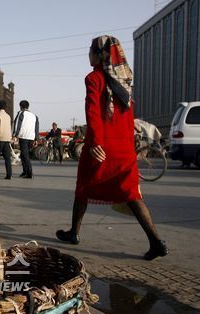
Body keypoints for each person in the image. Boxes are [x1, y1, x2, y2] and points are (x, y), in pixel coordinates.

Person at [55, 35, 168, 261]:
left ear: (100, 55)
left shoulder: (94, 78)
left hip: (101, 146)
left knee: (83, 188)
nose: (88, 54)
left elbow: (93, 112)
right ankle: (155, 241)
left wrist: (96, 142)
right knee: (132, 195)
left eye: (90, 50)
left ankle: (74, 233)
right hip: (123, 148)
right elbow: (128, 119)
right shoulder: (124, 83)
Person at [12, 100, 39, 178]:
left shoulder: (21, 113)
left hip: (23, 137)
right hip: (31, 138)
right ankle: (24, 171)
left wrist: (15, 135)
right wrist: (36, 139)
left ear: (21, 106)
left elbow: (17, 125)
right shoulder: (34, 115)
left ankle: (29, 173)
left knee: (25, 155)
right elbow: (36, 128)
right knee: (24, 155)